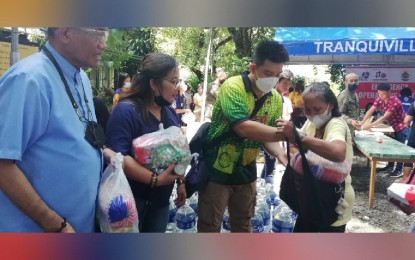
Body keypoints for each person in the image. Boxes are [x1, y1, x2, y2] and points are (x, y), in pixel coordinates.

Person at [0, 27, 109, 232]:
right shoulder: (29, 79)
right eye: (99, 35)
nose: (104, 44)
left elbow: (77, 135)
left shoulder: (81, 78)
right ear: (66, 33)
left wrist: (104, 152)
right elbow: (3, 164)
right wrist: (52, 223)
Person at [197, 40, 289, 233]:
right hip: (217, 171)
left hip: (247, 172)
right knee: (210, 226)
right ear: (253, 68)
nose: (273, 80)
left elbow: (267, 136)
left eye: (277, 75)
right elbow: (243, 128)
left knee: (243, 225)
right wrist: (289, 134)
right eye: (267, 73)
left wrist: (281, 154)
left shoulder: (274, 99)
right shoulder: (233, 87)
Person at [105, 53, 186, 233]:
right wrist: (155, 180)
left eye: (178, 81)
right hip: (130, 203)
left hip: (161, 202)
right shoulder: (126, 111)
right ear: (153, 84)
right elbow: (118, 157)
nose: (177, 87)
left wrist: (180, 181)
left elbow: (178, 150)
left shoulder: (169, 113)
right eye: (173, 81)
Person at [275, 82, 355, 232]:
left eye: (317, 109)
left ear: (330, 105)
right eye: (307, 109)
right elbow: (293, 147)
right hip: (310, 193)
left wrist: (300, 139)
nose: (312, 114)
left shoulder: (336, 124)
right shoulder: (311, 125)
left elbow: (337, 153)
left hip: (332, 199)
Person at [358, 83, 409, 178]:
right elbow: (371, 110)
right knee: (391, 147)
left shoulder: (395, 101)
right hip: (391, 127)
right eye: (379, 94)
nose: (381, 96)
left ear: (389, 92)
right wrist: (362, 122)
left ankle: (398, 170)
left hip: (401, 126)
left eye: (383, 94)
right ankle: (389, 166)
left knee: (400, 149)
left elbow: (384, 117)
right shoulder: (379, 99)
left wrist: (369, 125)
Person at [261, 70, 293, 179]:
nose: (287, 87)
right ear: (277, 82)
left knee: (269, 163)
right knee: (269, 163)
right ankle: (266, 186)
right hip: (263, 134)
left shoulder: (282, 99)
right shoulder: (269, 96)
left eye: (289, 84)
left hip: (272, 136)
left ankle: (265, 185)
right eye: (284, 83)